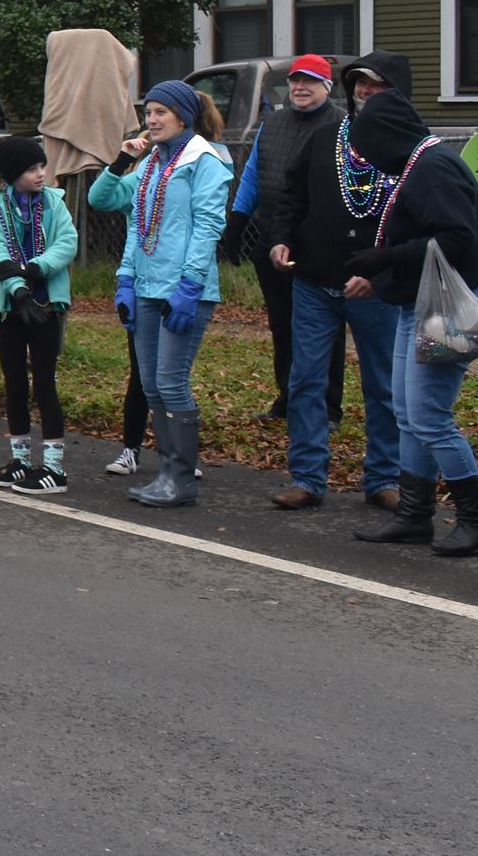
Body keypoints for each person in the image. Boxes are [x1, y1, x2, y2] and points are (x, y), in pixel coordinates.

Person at [347, 88, 478, 556]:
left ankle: (476, 522)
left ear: (387, 136)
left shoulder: (432, 169)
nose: (368, 159)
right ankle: (414, 516)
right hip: (418, 304)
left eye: (368, 147)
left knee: (430, 415)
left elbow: (457, 238)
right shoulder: (419, 164)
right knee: (408, 413)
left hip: (448, 307)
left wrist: (382, 258)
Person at [262, 51, 408, 512]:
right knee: (306, 381)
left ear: (397, 91)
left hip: (375, 289)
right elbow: (291, 195)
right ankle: (307, 477)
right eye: (359, 83)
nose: (365, 91)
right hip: (313, 281)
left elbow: (418, 221)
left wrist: (380, 271)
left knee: (382, 385)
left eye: (376, 84)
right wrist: (282, 239)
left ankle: (384, 477)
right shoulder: (328, 138)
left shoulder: (413, 148)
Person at [87, 80, 234, 508]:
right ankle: (167, 473)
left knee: (171, 382)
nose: (150, 121)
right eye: (148, 113)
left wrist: (190, 285)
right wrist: (126, 280)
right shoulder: (151, 163)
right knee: (151, 385)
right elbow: (106, 201)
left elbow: (208, 227)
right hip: (147, 286)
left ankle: (182, 479)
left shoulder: (203, 160)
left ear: (183, 117)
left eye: (159, 113)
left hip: (183, 290)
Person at [226, 56, 346, 425]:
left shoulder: (341, 124)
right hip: (271, 236)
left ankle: (328, 406)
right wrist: (238, 220)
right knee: (282, 322)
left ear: (327, 87)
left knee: (325, 325)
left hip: (319, 242)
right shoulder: (272, 122)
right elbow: (252, 175)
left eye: (310, 81)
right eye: (295, 81)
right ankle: (288, 398)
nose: (300, 88)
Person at [0, 136, 78, 493]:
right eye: (31, 169)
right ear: (11, 173)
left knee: (45, 383)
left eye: (41, 167)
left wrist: (34, 270)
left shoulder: (54, 203)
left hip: (46, 304)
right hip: (8, 306)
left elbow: (67, 243)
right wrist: (16, 290)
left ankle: (54, 467)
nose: (40, 174)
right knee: (15, 383)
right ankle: (20, 459)